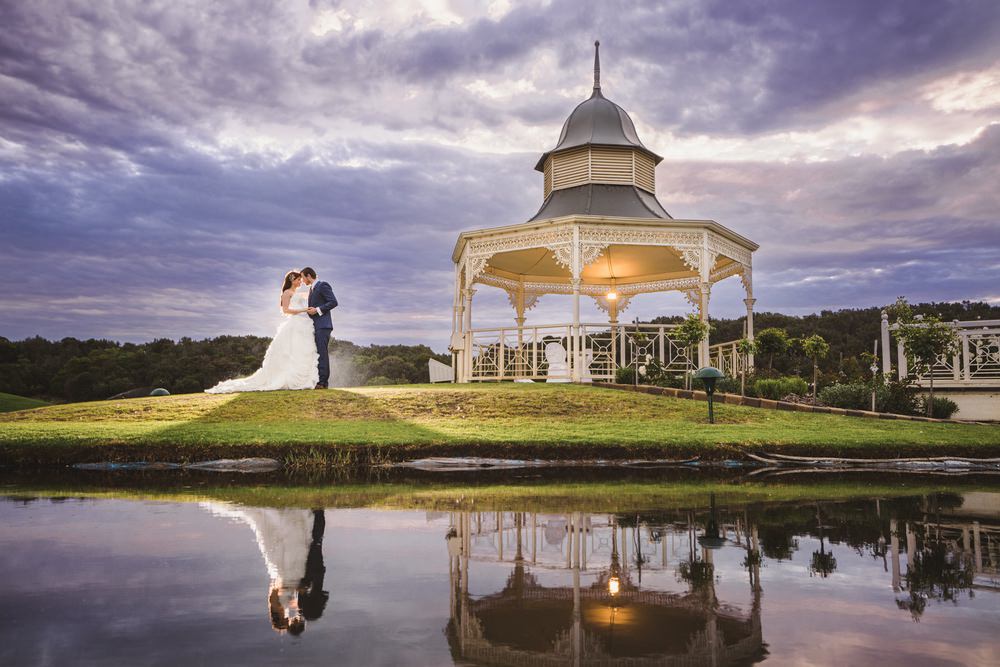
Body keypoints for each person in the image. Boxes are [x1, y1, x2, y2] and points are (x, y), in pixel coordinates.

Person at [205, 270, 319, 393]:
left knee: (300, 350)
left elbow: (311, 295)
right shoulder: (287, 293)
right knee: (289, 351)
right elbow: (286, 310)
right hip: (294, 324)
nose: (300, 282)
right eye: (298, 280)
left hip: (303, 324)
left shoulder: (298, 293)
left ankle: (302, 379)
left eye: (301, 280)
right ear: (292, 280)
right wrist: (303, 310)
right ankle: (286, 378)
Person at [300, 267, 338, 389]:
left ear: (309, 276)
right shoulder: (311, 289)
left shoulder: (322, 285)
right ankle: (318, 380)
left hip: (323, 325)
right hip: (316, 326)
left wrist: (317, 310)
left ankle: (323, 382)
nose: (302, 280)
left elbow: (333, 302)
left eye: (302, 277)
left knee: (322, 353)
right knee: (317, 354)